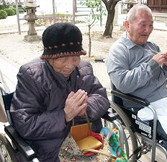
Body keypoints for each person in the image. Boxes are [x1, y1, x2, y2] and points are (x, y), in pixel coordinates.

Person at [106, 4, 167, 162]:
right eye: (143, 25)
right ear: (128, 25)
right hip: (144, 107)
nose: (148, 29)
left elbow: (159, 77)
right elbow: (123, 84)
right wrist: (152, 64)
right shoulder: (118, 51)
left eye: (151, 25)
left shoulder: (152, 46)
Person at [10, 23, 110, 162]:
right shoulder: (30, 76)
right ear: (48, 57)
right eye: (62, 59)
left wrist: (85, 109)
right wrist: (64, 115)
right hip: (51, 149)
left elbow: (100, 96)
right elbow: (25, 124)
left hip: (89, 141)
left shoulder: (84, 68)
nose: (70, 65)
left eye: (75, 57)